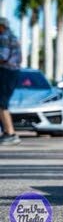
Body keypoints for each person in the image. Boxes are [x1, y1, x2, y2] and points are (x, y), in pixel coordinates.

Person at [0, 17, 23, 146]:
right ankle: (6, 132)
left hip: (6, 72)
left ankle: (10, 133)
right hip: (13, 72)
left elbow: (2, 57)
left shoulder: (4, 37)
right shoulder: (13, 37)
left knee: (2, 104)